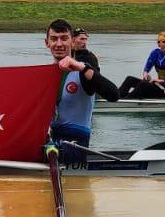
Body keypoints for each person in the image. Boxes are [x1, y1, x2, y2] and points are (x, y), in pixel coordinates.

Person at [46, 19, 118, 163]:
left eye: (64, 39)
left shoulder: (82, 71)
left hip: (75, 145)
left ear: (72, 42)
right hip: (50, 144)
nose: (59, 44)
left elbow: (114, 95)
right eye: (54, 39)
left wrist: (81, 67)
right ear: (47, 42)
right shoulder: (44, 75)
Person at [119, 31, 165, 99]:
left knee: (143, 84)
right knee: (130, 79)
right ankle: (117, 99)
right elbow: (147, 67)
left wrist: (163, 81)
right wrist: (145, 73)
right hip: (159, 87)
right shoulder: (155, 53)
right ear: (159, 43)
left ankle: (124, 101)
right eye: (164, 42)